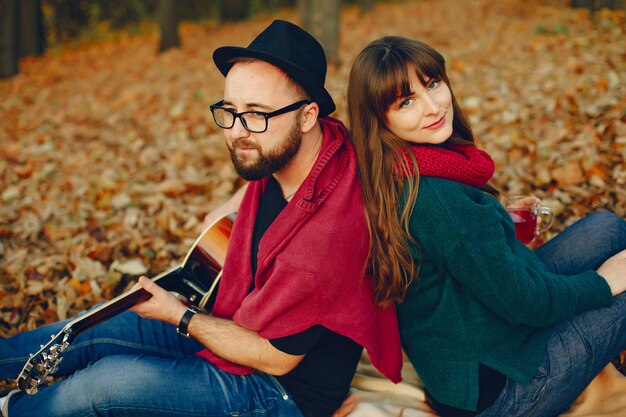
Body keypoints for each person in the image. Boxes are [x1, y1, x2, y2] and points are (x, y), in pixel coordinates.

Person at [0, 21, 402, 417]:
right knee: (90, 328)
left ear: (308, 115)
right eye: (230, 111)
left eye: (256, 115)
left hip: (277, 391)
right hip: (230, 317)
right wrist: (232, 211)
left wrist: (181, 316)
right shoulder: (318, 147)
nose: (238, 132)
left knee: (107, 383)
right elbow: (255, 188)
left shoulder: (327, 238)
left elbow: (276, 359)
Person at [346, 35, 626, 417]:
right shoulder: (435, 199)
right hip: (501, 385)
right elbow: (527, 303)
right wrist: (605, 283)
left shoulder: (403, 169)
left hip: (476, 327)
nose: (432, 107)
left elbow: (456, 248)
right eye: (406, 102)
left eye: (432, 84)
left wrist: (498, 222)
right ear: (380, 120)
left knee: (607, 228)